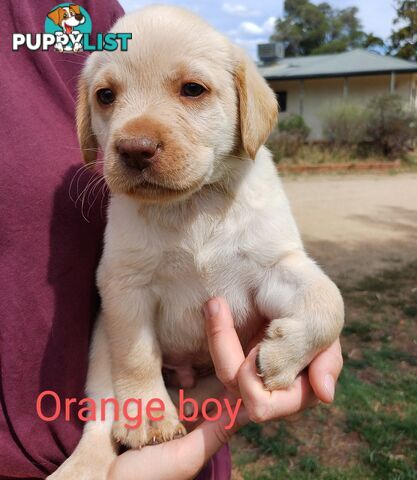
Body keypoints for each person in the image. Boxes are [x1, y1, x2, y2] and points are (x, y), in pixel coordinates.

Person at [0, 1, 342, 479]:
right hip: (139, 377)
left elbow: (285, 270)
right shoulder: (125, 206)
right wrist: (139, 390)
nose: (134, 138)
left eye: (192, 89)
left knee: (322, 302)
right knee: (114, 314)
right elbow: (123, 285)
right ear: (86, 119)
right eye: (107, 97)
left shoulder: (257, 188)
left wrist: (317, 320)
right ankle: (95, 445)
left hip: (212, 389)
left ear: (248, 107)